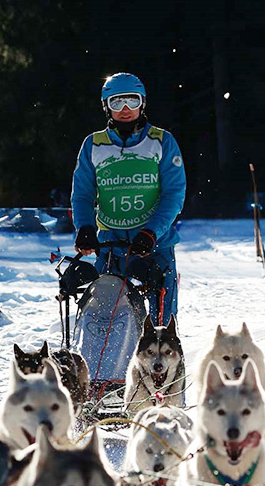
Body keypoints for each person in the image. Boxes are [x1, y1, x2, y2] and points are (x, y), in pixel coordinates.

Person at [71, 72, 187, 326]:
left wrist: (151, 232)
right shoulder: (93, 145)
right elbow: (82, 194)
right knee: (105, 319)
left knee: (161, 326)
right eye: (116, 102)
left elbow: (174, 193)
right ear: (106, 106)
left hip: (155, 244)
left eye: (132, 102)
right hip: (111, 244)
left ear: (142, 103)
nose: (125, 110)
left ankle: (165, 363)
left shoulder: (162, 141)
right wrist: (86, 227)